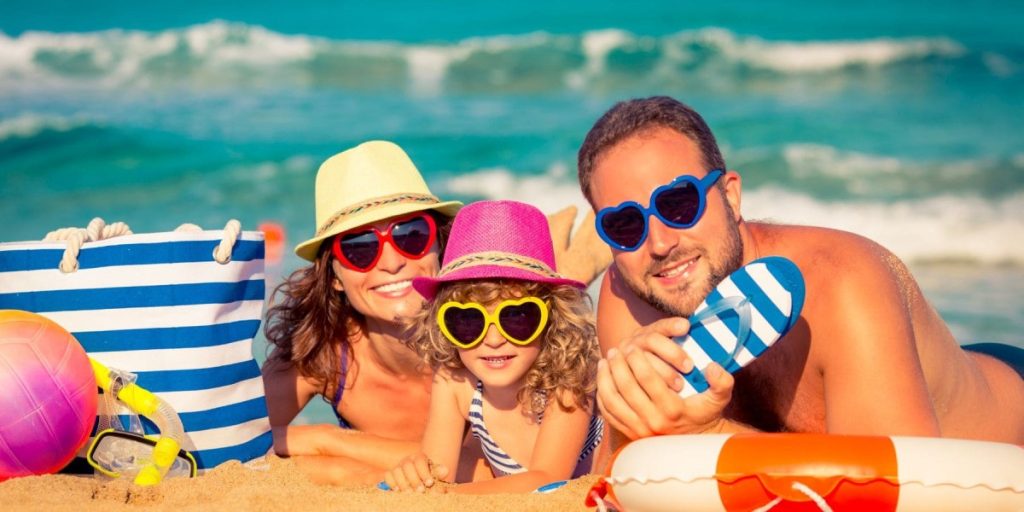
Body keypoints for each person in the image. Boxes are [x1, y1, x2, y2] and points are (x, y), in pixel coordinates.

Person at [576, 96, 1024, 447]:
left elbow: (891, 487)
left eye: (678, 204)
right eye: (625, 225)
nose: (659, 243)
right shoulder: (627, 299)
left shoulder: (841, 282)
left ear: (730, 198)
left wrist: (707, 436)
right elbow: (629, 469)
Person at [261, 141, 610, 484]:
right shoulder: (322, 355)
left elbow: (488, 471)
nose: (393, 262)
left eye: (411, 235)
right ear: (333, 275)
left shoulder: (484, 350)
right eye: (359, 248)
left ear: (439, 246)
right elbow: (232, 443)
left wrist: (329, 441)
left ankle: (566, 271)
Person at [383, 200, 603, 493]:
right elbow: (437, 473)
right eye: (467, 321)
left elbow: (548, 478)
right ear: (442, 324)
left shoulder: (569, 375)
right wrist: (415, 475)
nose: (494, 339)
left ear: (551, 319)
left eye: (517, 317)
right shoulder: (454, 380)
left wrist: (447, 496)